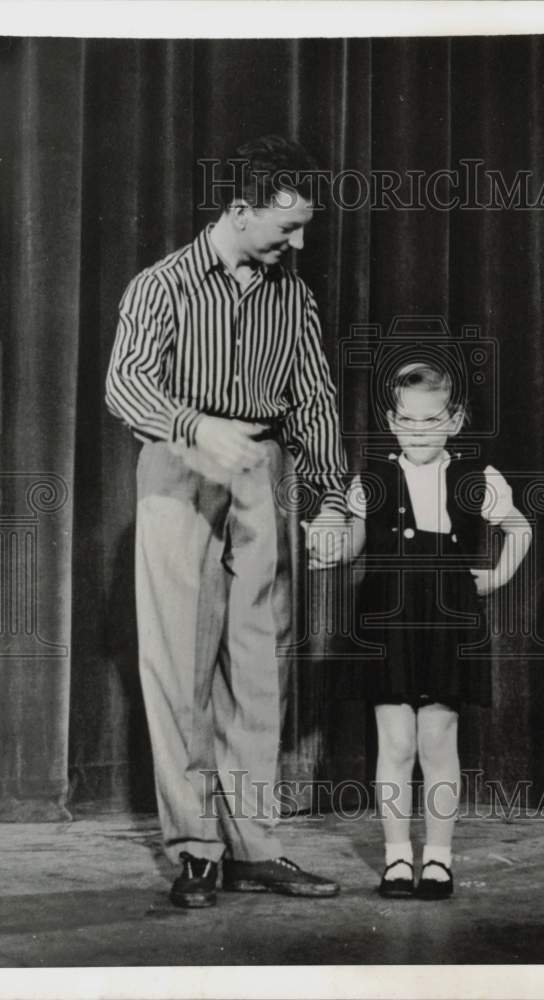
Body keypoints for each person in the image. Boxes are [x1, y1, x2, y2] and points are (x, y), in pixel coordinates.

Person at [105, 135, 350, 907]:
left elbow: (312, 399)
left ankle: (253, 846)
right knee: (180, 665)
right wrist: (191, 427)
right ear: (239, 210)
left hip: (259, 469)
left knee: (256, 664)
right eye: (288, 225)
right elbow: (125, 385)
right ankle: (197, 850)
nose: (298, 241)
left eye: (305, 227)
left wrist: (332, 496)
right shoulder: (162, 285)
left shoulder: (294, 294)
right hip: (182, 467)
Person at [347, 361, 531, 900]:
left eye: (431, 421)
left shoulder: (476, 478)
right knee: (396, 743)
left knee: (437, 740)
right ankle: (398, 858)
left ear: (452, 421)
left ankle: (440, 859)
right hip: (387, 617)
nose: (418, 431)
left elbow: (519, 529)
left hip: (448, 620)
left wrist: (496, 578)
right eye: (407, 420)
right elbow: (353, 545)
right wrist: (327, 544)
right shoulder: (372, 480)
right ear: (391, 421)